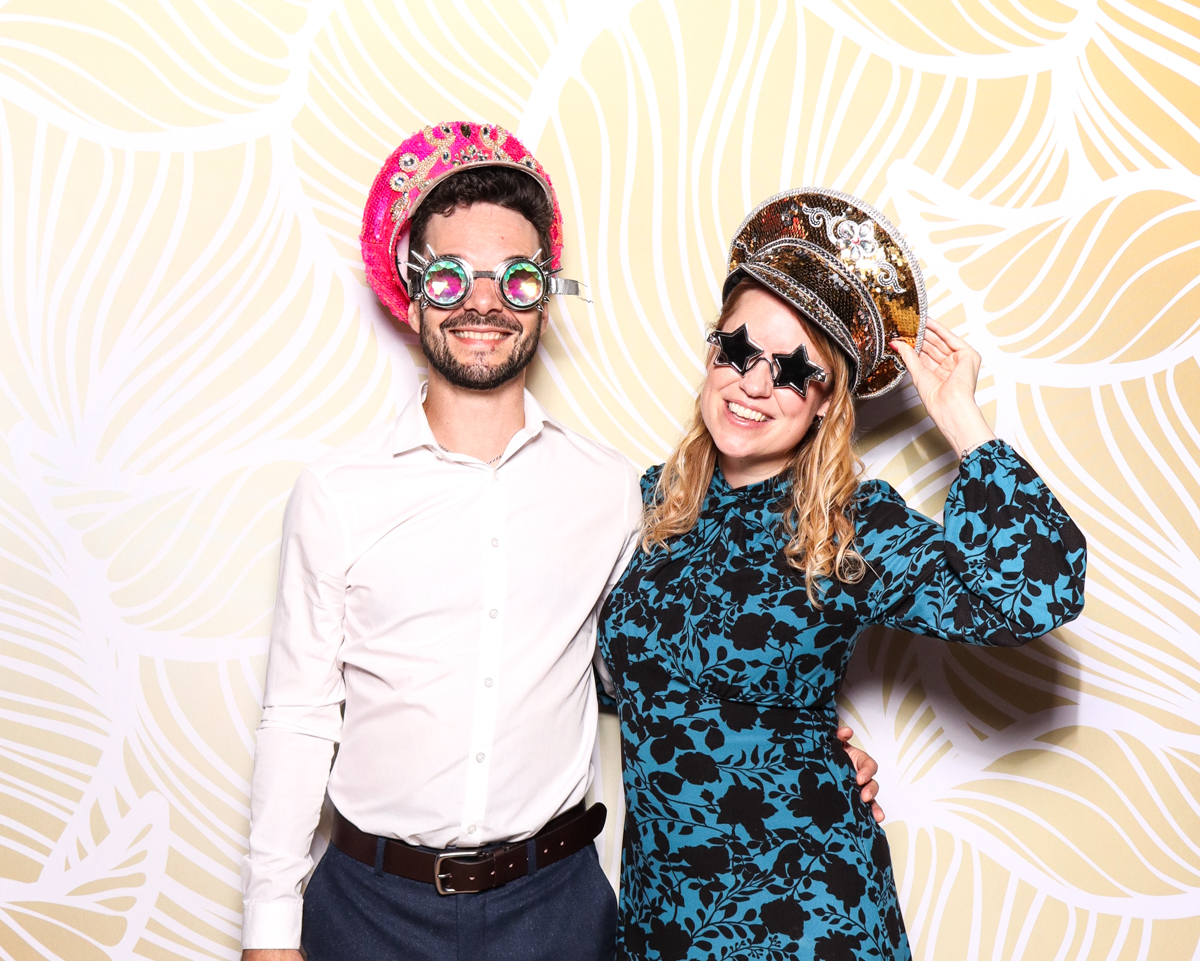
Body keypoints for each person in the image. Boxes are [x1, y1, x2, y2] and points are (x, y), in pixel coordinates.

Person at [240, 128, 883, 961]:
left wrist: (790, 746)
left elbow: (643, 662)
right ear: (413, 293)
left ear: (543, 294)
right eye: (449, 275)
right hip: (369, 909)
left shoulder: (612, 491)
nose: (482, 303)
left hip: (555, 911)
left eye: (512, 276)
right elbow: (296, 715)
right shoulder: (336, 493)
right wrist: (268, 929)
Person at [597, 188, 1088, 961]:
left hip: (807, 917)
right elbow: (586, 669)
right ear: (711, 353)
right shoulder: (649, 503)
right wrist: (785, 739)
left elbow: (1035, 591)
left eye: (794, 371)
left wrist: (958, 416)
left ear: (827, 403)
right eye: (736, 350)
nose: (754, 384)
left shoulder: (847, 520)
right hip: (665, 915)